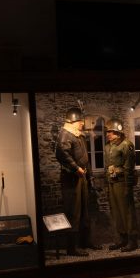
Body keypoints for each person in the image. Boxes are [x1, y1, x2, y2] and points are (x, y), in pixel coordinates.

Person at [54, 106, 97, 256]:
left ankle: (85, 241)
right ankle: (71, 248)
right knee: (73, 211)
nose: (82, 124)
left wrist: (89, 175)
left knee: (84, 209)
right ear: (73, 121)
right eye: (80, 121)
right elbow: (61, 153)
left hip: (81, 177)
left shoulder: (78, 135)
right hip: (72, 179)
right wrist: (75, 168)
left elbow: (85, 158)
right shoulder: (65, 134)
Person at [104, 119, 138, 252]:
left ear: (117, 132)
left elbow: (129, 168)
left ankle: (132, 240)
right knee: (117, 212)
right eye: (107, 132)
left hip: (122, 182)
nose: (107, 134)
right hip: (112, 182)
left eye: (110, 132)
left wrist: (128, 187)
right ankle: (122, 239)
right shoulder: (108, 146)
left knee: (127, 212)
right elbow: (107, 166)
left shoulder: (126, 145)